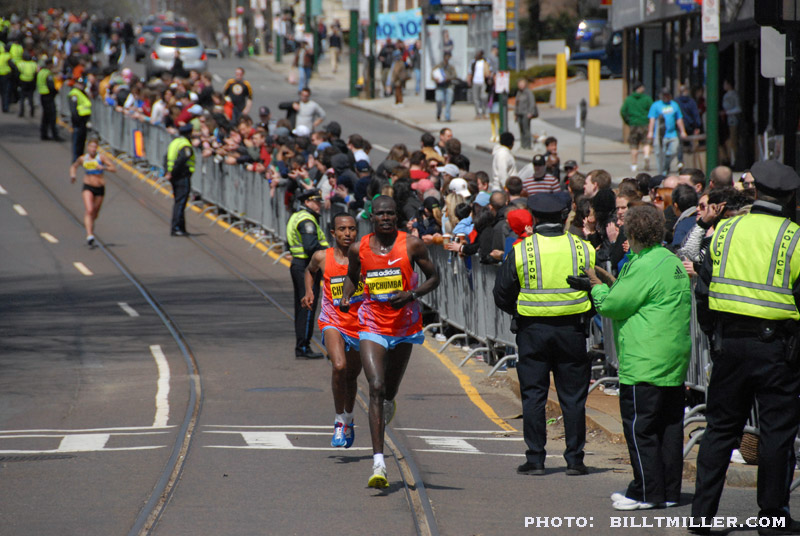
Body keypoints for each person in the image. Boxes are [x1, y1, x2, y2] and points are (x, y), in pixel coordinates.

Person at [691, 160, 800, 535]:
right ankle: (771, 516)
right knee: (775, 434)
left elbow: (702, 291)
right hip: (778, 349)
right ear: (788, 197)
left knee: (720, 429)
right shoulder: (796, 238)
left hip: (730, 345)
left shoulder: (724, 230)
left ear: (755, 192)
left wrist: (714, 337)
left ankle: (701, 516)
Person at [576, 204, 691, 510]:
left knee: (641, 428)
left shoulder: (643, 264)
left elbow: (613, 304)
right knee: (669, 428)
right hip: (673, 358)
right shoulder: (671, 260)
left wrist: (596, 288)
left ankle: (645, 491)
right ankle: (668, 492)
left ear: (633, 233)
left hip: (645, 359)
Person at [340, 195, 440, 488]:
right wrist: (347, 296)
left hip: (405, 327)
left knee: (389, 392)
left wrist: (412, 295)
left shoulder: (411, 244)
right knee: (375, 387)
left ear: (396, 217)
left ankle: (386, 404)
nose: (385, 218)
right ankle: (379, 463)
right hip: (372, 323)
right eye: (381, 214)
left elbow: (435, 277)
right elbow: (353, 276)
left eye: (391, 214)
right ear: (371, 216)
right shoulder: (360, 248)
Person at [493, 193, 596, 477]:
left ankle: (536, 459)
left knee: (534, 396)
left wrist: (521, 310)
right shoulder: (584, 248)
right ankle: (575, 460)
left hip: (532, 331)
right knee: (573, 398)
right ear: (565, 218)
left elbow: (501, 293)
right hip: (573, 331)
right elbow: (595, 288)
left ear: (534, 219)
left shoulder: (522, 249)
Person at [303, 213, 364, 448]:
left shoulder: (364, 257)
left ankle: (348, 418)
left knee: (351, 376)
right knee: (339, 367)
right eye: (342, 229)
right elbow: (309, 271)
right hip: (332, 320)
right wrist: (309, 292)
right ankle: (339, 421)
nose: (347, 233)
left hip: (359, 324)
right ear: (333, 233)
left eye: (351, 229)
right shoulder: (322, 257)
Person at [288, 188, 330, 359]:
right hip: (307, 267)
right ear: (307, 202)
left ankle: (302, 345)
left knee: (302, 307)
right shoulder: (307, 221)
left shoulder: (297, 216)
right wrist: (329, 252)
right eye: (316, 202)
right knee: (308, 306)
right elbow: (310, 246)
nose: (319, 205)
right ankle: (303, 347)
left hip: (298, 264)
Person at [69, 139, 116, 246]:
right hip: (88, 186)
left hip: (99, 188)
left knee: (95, 213)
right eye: (91, 147)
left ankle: (90, 225)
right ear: (88, 147)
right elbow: (74, 166)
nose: (93, 149)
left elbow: (113, 168)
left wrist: (103, 167)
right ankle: (89, 234)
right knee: (89, 210)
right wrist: (73, 175)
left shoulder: (101, 158)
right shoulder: (83, 158)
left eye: (95, 147)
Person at [647, 87, 687, 176]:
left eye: (667, 95)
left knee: (673, 151)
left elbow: (679, 119)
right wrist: (650, 132)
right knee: (659, 153)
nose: (666, 97)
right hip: (660, 134)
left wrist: (683, 131)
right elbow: (652, 120)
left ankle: (667, 164)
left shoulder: (674, 105)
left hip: (672, 133)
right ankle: (662, 172)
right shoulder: (656, 105)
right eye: (664, 95)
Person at [165, 124, 196, 237]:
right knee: (181, 202)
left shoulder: (174, 142)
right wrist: (172, 172)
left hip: (174, 176)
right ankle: (176, 227)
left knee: (179, 201)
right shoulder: (185, 145)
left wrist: (167, 172)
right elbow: (182, 159)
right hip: (181, 176)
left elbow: (166, 157)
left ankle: (181, 228)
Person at [620, 81, 653, 172]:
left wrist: (628, 121)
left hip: (633, 124)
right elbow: (652, 110)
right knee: (646, 142)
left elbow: (623, 111)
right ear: (639, 88)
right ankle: (646, 156)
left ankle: (634, 164)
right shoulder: (647, 99)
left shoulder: (629, 99)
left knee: (634, 144)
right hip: (644, 123)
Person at [69, 77, 92, 164]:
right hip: (78, 120)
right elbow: (73, 109)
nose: (81, 85)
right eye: (79, 84)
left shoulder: (83, 93)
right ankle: (75, 159)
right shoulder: (74, 94)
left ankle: (81, 158)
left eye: (82, 84)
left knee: (82, 140)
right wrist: (77, 119)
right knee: (76, 140)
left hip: (84, 120)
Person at [36, 59, 60, 141]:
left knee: (45, 116)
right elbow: (50, 86)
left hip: (42, 95)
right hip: (48, 96)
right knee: (52, 116)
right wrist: (56, 91)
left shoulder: (41, 72)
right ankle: (55, 135)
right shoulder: (47, 73)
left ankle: (44, 134)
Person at [720, 79, 741, 167]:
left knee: (733, 142)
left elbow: (739, 108)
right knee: (727, 142)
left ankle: (734, 161)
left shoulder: (733, 95)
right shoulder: (726, 95)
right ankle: (729, 159)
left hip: (732, 122)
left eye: (725, 83)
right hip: (726, 122)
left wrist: (726, 113)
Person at [432, 52, 457, 122]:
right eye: (446, 57)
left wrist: (448, 78)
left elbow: (454, 75)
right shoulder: (439, 66)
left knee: (448, 102)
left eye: (448, 57)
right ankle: (438, 113)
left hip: (448, 86)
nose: (447, 58)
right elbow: (433, 74)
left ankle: (447, 116)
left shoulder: (451, 67)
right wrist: (435, 79)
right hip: (440, 86)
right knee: (439, 100)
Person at [515, 78, 537, 150]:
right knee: (521, 130)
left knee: (526, 129)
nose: (521, 85)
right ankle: (523, 145)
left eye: (522, 83)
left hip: (526, 113)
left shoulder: (528, 92)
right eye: (519, 84)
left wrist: (531, 112)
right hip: (519, 113)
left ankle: (528, 145)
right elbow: (516, 104)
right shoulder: (518, 93)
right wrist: (515, 113)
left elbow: (532, 103)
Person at [468, 50, 489, 119]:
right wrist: (469, 80)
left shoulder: (485, 62)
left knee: (484, 97)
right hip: (475, 81)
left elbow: (489, 70)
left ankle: (484, 112)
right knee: (476, 98)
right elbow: (470, 72)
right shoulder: (473, 62)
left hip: (483, 82)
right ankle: (478, 113)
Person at [15, 52, 36, 118]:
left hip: (23, 82)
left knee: (22, 98)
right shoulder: (34, 64)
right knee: (30, 98)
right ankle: (32, 112)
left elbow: (17, 73)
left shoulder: (20, 64)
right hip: (31, 82)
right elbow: (35, 73)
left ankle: (22, 112)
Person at [0, 44, 12, 113]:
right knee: (6, 92)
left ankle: (4, 106)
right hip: (6, 76)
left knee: (2, 93)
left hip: (1, 75)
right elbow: (12, 65)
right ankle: (5, 107)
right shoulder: (8, 56)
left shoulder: (1, 56)